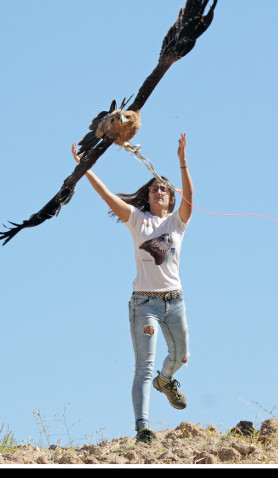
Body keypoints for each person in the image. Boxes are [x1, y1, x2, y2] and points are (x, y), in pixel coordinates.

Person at [71, 133, 193, 444]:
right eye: (154, 189)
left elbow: (190, 198)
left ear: (171, 197)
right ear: (148, 196)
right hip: (145, 305)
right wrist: (84, 167)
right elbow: (107, 196)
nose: (158, 191)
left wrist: (182, 163)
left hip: (175, 301)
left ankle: (165, 382)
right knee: (144, 365)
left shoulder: (177, 223)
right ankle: (143, 427)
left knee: (180, 357)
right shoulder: (138, 220)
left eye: (163, 188)